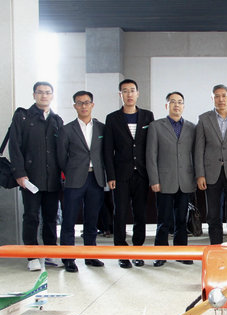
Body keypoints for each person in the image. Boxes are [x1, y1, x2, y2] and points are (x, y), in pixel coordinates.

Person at [8, 81, 63, 271]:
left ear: (52, 96)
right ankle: (31, 256)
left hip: (52, 178)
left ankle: (50, 253)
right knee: (31, 216)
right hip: (30, 178)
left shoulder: (57, 120)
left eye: (48, 92)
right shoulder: (23, 116)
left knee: (51, 218)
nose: (44, 95)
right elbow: (14, 146)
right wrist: (20, 173)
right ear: (34, 95)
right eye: (40, 92)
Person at [103, 79, 154, 268]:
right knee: (121, 213)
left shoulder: (147, 116)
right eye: (125, 91)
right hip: (120, 175)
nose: (129, 94)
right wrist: (110, 175)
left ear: (138, 93)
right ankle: (121, 252)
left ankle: (138, 250)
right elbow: (107, 149)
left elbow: (151, 146)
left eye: (132, 90)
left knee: (140, 213)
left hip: (142, 173)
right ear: (120, 95)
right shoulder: (112, 118)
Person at [57, 90, 106, 272]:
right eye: (79, 103)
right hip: (74, 179)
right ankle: (68, 258)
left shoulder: (101, 128)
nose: (83, 106)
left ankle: (90, 255)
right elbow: (61, 157)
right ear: (75, 106)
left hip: (96, 178)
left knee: (92, 219)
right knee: (69, 220)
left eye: (87, 102)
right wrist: (72, 171)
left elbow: (105, 153)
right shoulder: (66, 129)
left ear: (92, 105)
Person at [147, 92, 197, 267]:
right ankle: (160, 254)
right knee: (164, 220)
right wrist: (154, 180)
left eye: (180, 102)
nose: (177, 105)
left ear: (183, 106)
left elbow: (195, 154)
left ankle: (181, 252)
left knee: (182, 220)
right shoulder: (156, 126)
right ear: (166, 105)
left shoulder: (191, 127)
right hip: (164, 181)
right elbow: (151, 155)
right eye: (173, 102)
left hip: (185, 180)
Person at [195, 84, 227, 244]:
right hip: (211, 173)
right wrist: (200, 174)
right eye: (217, 96)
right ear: (212, 98)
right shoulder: (204, 119)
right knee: (213, 214)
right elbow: (199, 149)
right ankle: (216, 246)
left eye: (224, 95)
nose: (221, 99)